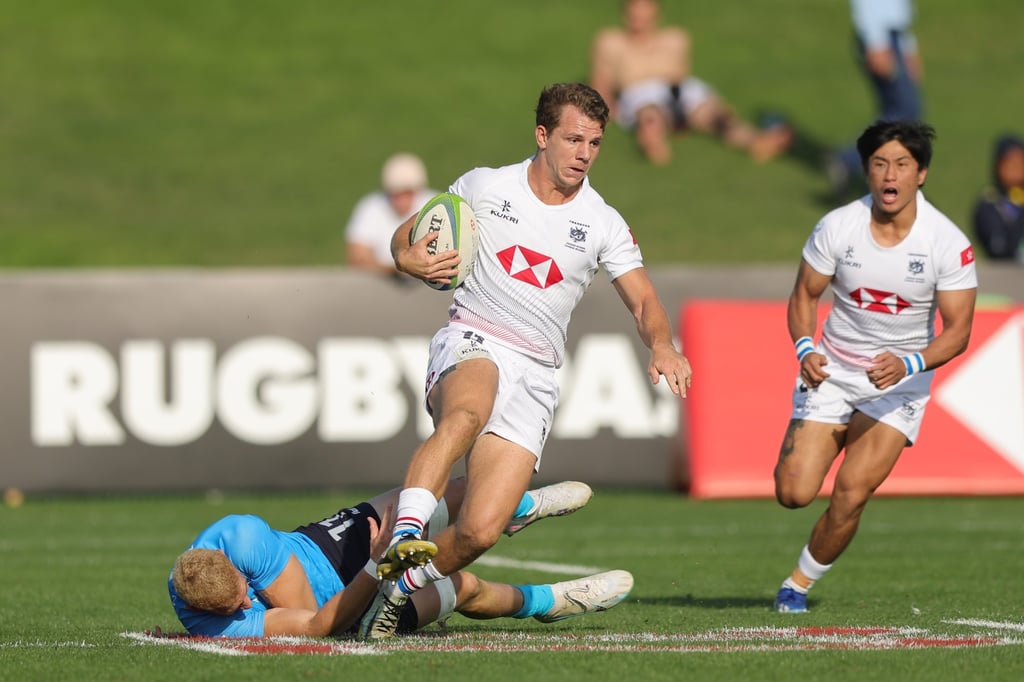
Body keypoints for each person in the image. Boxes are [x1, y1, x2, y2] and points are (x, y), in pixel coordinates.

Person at [358, 81, 692, 639]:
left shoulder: (603, 221)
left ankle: (400, 589)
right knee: (467, 413)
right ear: (542, 136)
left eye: (595, 142)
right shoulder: (485, 186)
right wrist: (407, 260)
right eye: (572, 139)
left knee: (480, 531)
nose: (584, 153)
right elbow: (407, 240)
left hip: (536, 372)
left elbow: (644, 299)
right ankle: (405, 535)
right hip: (474, 338)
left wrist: (661, 343)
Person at [771, 120, 977, 614]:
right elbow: (804, 294)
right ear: (867, 170)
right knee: (794, 492)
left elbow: (958, 331)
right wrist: (804, 347)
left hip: (900, 383)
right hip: (834, 371)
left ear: (920, 174)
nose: (890, 175)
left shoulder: (945, 242)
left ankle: (796, 586)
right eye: (880, 163)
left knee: (851, 491)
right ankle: (832, 429)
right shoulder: (837, 226)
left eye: (902, 164)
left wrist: (911, 361)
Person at [167, 477, 633, 638]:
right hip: (346, 609)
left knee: (432, 495)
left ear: (232, 565)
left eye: (243, 595)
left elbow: (293, 603)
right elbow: (317, 623)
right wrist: (376, 564)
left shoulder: (241, 536)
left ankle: (516, 510)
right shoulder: (205, 618)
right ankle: (549, 602)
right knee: (462, 589)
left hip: (323, 548)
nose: (247, 606)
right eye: (234, 611)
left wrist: (371, 552)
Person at [589, 0, 793, 165]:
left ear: (656, 13)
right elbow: (601, 84)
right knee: (650, 116)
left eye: (646, 10)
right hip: (639, 94)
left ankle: (754, 141)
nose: (640, 18)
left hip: (680, 90)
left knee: (717, 116)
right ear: (625, 13)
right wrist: (608, 114)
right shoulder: (611, 42)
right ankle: (654, 143)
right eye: (635, 11)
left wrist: (687, 110)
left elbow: (682, 76)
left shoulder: (675, 39)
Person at [827, 0, 924, 198]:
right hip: (881, 36)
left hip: (893, 35)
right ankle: (849, 160)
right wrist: (875, 40)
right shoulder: (877, 37)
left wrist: (907, 47)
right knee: (906, 110)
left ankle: (872, 173)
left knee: (898, 110)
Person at [344, 152, 438, 280]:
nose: (401, 200)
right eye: (395, 193)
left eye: (407, 192)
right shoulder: (371, 207)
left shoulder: (436, 205)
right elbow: (358, 257)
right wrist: (401, 268)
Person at [972, 134, 1024, 263]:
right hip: (1003, 276)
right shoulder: (989, 203)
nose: (1016, 168)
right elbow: (999, 248)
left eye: (1020, 163)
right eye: (1010, 163)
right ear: (998, 165)